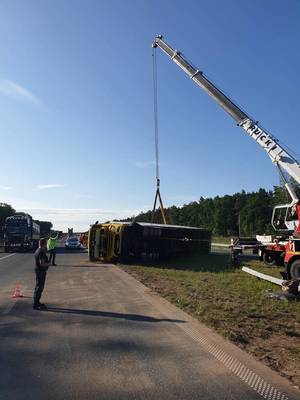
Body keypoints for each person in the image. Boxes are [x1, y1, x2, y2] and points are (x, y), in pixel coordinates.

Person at [33, 238, 50, 310]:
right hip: (40, 271)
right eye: (46, 243)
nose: (46, 245)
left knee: (38, 287)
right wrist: (49, 264)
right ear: (44, 244)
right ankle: (36, 304)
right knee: (40, 288)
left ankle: (36, 302)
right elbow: (42, 263)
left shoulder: (37, 250)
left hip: (38, 270)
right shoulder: (41, 252)